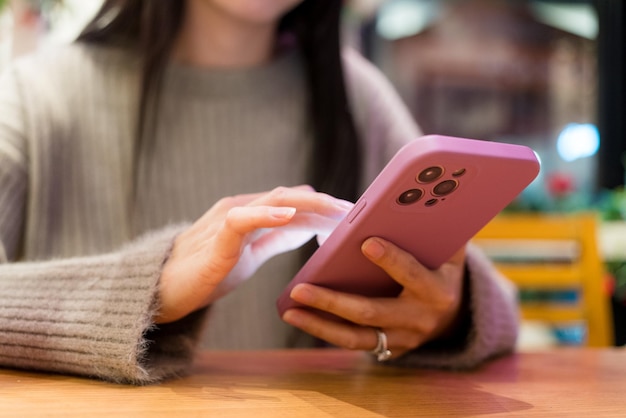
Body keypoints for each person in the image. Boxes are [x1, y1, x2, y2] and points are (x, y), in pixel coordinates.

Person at [0, 0, 518, 384]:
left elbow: (500, 308)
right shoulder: (33, 99)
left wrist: (448, 313)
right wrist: (145, 290)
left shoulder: (353, 94)